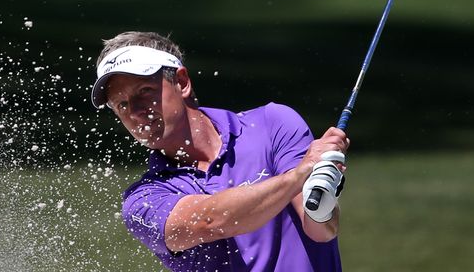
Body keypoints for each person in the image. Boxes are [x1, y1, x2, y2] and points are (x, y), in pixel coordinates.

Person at [91, 31, 350, 271]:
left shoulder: (273, 124)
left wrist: (322, 192)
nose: (135, 111)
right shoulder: (143, 201)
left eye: (144, 91)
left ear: (181, 82)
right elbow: (209, 222)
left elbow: (322, 229)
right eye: (121, 104)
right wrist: (297, 177)